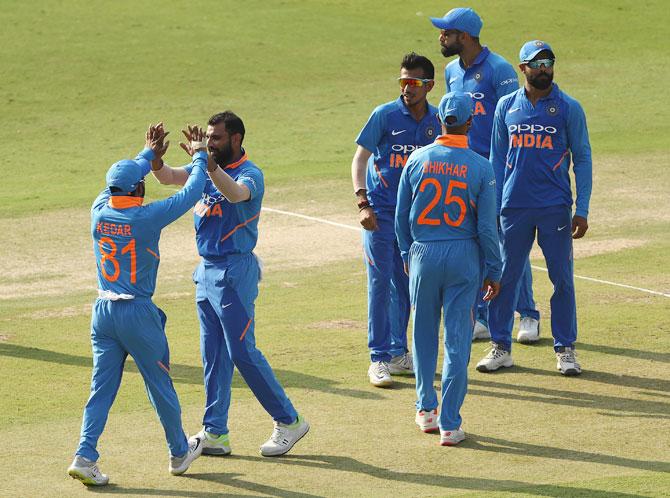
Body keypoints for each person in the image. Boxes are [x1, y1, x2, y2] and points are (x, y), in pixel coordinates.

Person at [151, 111, 309, 457]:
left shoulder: (250, 173)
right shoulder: (206, 166)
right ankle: (215, 432)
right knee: (214, 356)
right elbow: (167, 178)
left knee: (242, 352)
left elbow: (237, 195)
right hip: (206, 271)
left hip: (235, 271)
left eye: (216, 138)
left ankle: (290, 421)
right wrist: (156, 159)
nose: (210, 144)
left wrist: (207, 165)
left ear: (236, 139)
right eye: (207, 138)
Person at [67, 125, 209, 486]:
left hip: (103, 313)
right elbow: (193, 190)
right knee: (159, 384)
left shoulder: (99, 210)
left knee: (101, 388)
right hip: (138, 315)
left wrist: (147, 155)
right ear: (139, 189)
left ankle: (85, 455)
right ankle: (179, 452)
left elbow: (120, 183)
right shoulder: (146, 217)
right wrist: (199, 154)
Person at [476, 40, 592, 375]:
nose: (544, 69)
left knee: (562, 279)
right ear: (522, 67)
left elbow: (582, 158)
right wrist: (493, 207)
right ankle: (500, 346)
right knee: (503, 277)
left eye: (548, 62)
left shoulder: (569, 107)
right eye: (536, 63)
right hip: (513, 207)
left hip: (555, 206)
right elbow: (497, 160)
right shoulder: (506, 107)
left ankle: (565, 349)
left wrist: (581, 208)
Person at [396, 92, 501, 446]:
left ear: (441, 120)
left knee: (422, 336)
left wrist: (408, 254)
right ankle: (450, 424)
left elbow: (400, 219)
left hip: (424, 253)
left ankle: (426, 409)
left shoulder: (417, 159)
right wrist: (494, 270)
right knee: (457, 343)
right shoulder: (481, 166)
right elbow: (488, 228)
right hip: (464, 256)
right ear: (470, 123)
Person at [430, 7, 540, 343]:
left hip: (494, 171)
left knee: (507, 245)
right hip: (462, 172)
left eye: (447, 33)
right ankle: (481, 317)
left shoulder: (499, 70)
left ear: (464, 36)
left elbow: (513, 120)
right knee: (473, 245)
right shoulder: (451, 71)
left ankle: (528, 314)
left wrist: (501, 173)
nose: (441, 37)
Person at [351, 52, 440, 387]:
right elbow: (359, 159)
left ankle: (399, 351)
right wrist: (363, 202)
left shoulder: (437, 120)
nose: (407, 88)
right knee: (379, 283)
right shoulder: (385, 115)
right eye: (403, 81)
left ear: (429, 85)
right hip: (380, 213)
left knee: (406, 285)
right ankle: (378, 359)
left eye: (414, 83)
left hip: (416, 219)